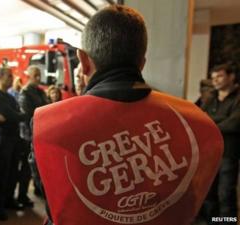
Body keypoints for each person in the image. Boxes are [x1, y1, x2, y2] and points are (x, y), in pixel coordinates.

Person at [31, 5, 223, 225]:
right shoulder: (198, 123)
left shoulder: (47, 126)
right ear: (142, 63)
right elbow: (204, 210)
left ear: (83, 61)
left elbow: (53, 204)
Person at [200, 64, 240, 224]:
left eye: (220, 76)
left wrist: (210, 124)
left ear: (231, 77)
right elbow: (199, 117)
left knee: (225, 193)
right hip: (210, 152)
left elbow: (235, 124)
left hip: (229, 153)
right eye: (213, 77)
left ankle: (226, 223)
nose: (215, 80)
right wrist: (217, 122)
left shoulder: (238, 98)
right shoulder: (210, 97)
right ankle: (212, 221)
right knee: (208, 191)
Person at [0, 67, 26, 220]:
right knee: (2, 174)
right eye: (9, 76)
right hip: (3, 141)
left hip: (14, 138)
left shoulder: (10, 97)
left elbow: (15, 115)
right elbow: (13, 115)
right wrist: (15, 116)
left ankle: (9, 200)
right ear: (0, 77)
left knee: (12, 172)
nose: (12, 78)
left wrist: (13, 116)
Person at [18, 65, 47, 205]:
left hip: (40, 134)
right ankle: (22, 195)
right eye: (35, 75)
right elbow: (28, 114)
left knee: (40, 167)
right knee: (26, 168)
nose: (38, 78)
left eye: (39, 75)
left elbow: (48, 107)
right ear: (28, 76)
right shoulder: (25, 93)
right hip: (29, 136)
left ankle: (37, 189)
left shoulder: (40, 92)